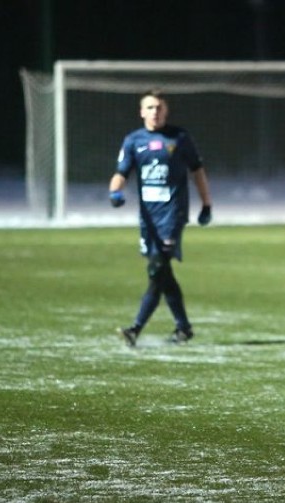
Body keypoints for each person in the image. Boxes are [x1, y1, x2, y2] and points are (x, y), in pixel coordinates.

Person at [109, 89, 213, 347]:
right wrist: (115, 191)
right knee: (161, 275)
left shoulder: (179, 138)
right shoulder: (134, 140)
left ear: (166, 111)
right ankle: (183, 328)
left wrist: (206, 204)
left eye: (159, 108)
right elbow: (121, 172)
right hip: (148, 221)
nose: (155, 112)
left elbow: (197, 170)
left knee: (157, 269)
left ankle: (135, 329)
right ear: (142, 111)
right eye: (150, 107)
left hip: (172, 216)